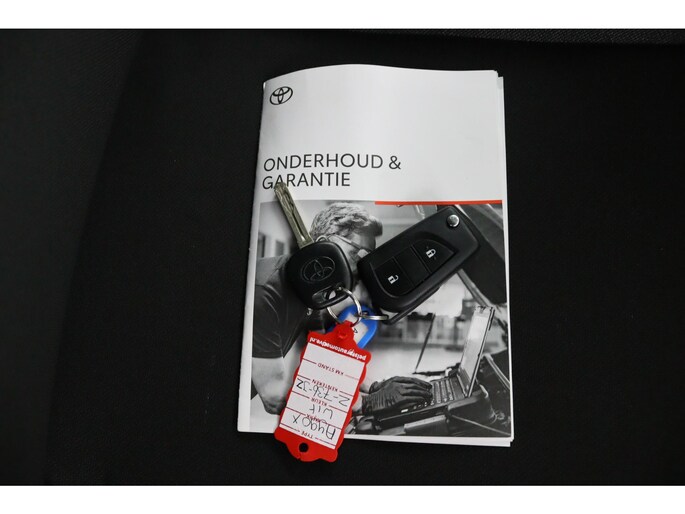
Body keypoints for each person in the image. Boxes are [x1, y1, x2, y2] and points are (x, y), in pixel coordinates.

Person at [251, 202, 383, 414]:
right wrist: (363, 404)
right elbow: (273, 395)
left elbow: (321, 356)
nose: (360, 269)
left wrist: (374, 386)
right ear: (324, 246)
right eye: (355, 254)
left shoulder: (312, 292)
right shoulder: (264, 292)